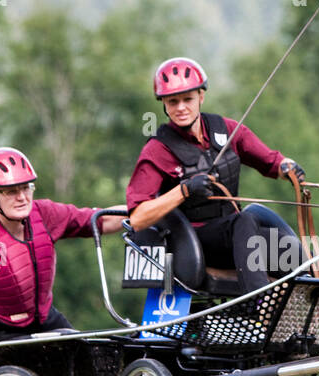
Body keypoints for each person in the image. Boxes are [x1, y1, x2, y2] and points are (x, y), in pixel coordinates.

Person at [126, 57, 305, 295]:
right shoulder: (158, 150)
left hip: (239, 240)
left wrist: (288, 168)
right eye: (173, 101)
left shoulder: (228, 131)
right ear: (164, 105)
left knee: (282, 245)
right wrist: (184, 190)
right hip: (193, 242)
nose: (181, 108)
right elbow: (138, 218)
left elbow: (271, 161)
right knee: (245, 219)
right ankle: (258, 300)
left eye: (187, 99)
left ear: (201, 96)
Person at [0, 147, 125, 344]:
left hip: (45, 320)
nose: (22, 197)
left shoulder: (45, 214)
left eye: (26, 188)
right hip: (0, 332)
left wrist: (142, 210)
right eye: (10, 191)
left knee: (90, 357)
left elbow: (101, 220)